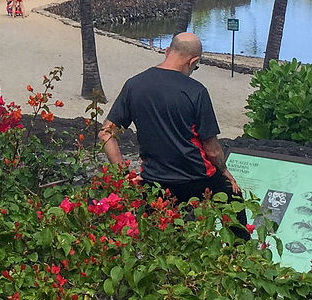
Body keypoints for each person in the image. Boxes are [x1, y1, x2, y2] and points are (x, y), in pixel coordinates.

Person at [99, 32, 244, 212]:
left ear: (167, 51)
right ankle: (239, 241)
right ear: (193, 61)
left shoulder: (134, 85)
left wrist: (124, 176)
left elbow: (105, 134)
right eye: (195, 67)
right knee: (235, 200)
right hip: (196, 179)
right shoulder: (196, 91)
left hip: (154, 182)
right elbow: (212, 149)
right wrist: (225, 172)